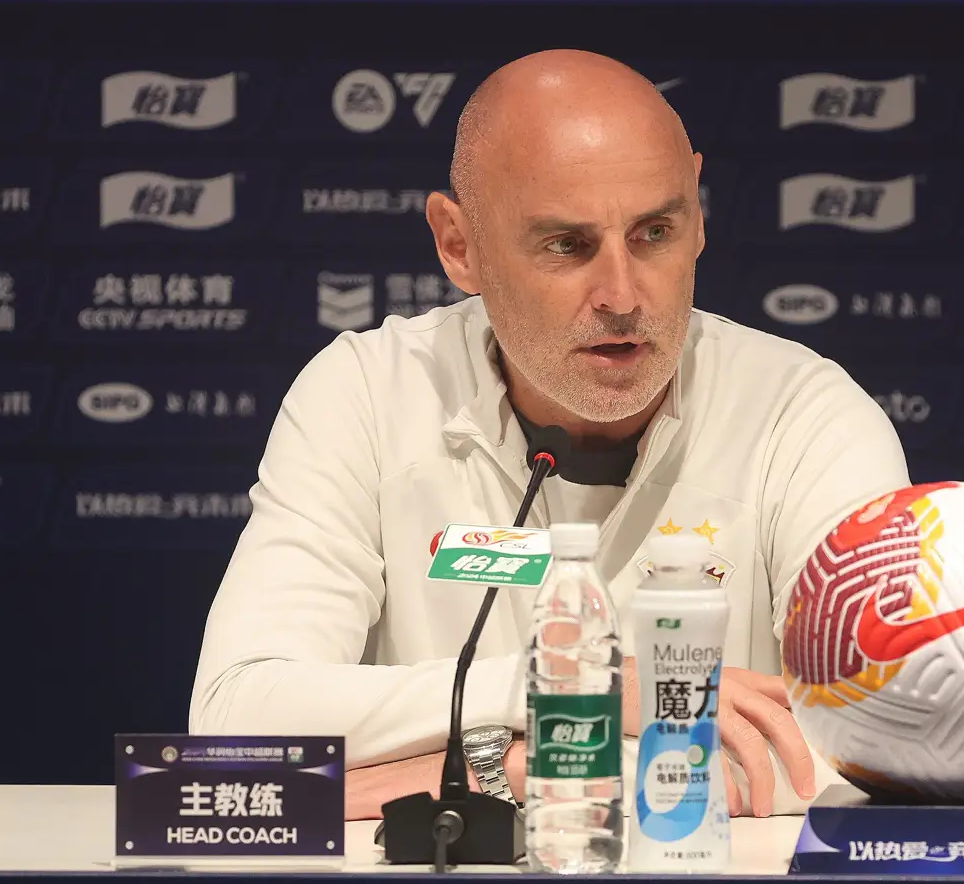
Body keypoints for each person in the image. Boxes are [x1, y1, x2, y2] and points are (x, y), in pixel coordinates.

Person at [189, 49, 910, 821]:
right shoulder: (366, 392)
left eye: (655, 231)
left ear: (698, 215)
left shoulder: (805, 416)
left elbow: (875, 741)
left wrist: (492, 770)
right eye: (566, 246)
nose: (622, 295)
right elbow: (240, 723)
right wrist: (575, 689)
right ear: (458, 244)